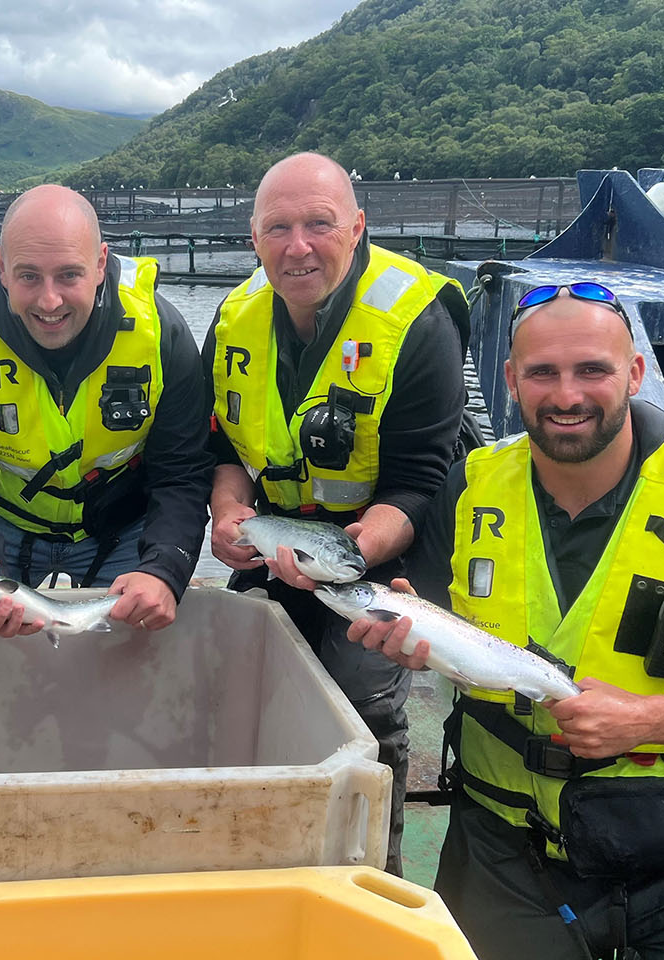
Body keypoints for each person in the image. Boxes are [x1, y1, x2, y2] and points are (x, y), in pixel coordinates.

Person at [350, 281, 664, 959]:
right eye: (542, 372)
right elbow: (436, 616)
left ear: (635, 372)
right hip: (502, 845)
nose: (566, 396)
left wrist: (651, 720)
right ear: (509, 380)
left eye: (592, 369)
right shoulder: (467, 489)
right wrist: (414, 645)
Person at [203, 152, 471, 873]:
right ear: (253, 237)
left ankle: (368, 868)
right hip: (279, 539)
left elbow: (420, 478)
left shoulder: (418, 319)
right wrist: (229, 511)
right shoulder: (234, 319)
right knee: (242, 682)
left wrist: (351, 554)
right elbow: (223, 443)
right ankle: (260, 852)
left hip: (385, 545)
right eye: (278, 228)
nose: (298, 247)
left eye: (319, 225)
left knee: (362, 702)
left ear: (357, 228)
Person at [0, 184, 212, 635]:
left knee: (144, 646)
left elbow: (181, 473)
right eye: (29, 275)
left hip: (124, 528)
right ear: (1, 267)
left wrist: (165, 567)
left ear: (100, 264)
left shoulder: (160, 334)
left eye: (69, 275)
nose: (49, 302)